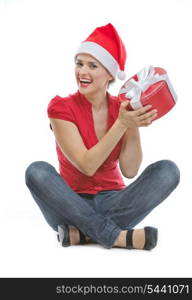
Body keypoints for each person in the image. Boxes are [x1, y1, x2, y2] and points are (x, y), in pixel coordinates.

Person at [25, 23, 180, 250]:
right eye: (79, 64)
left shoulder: (122, 108)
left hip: (115, 201)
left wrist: (132, 120)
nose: (82, 72)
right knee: (36, 171)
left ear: (109, 74)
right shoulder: (60, 108)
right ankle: (116, 236)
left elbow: (129, 171)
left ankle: (82, 234)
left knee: (168, 170)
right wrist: (121, 124)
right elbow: (87, 165)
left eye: (92, 65)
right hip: (69, 202)